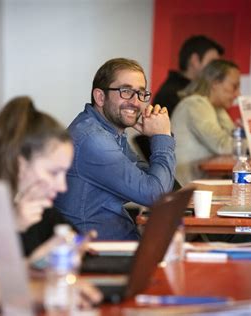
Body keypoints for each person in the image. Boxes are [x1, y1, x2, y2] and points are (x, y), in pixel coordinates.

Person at [55, 58, 176, 240]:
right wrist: (163, 136)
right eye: (126, 91)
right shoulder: (93, 139)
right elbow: (156, 195)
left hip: (118, 245)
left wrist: (158, 136)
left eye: (141, 93)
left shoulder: (109, 132)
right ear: (100, 97)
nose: (136, 102)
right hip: (97, 254)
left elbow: (153, 181)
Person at [0, 96, 75, 256]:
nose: (62, 186)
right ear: (20, 165)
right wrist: (15, 226)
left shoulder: (42, 208)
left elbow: (75, 241)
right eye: (53, 173)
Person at [171, 59, 240, 185]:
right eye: (234, 86)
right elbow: (223, 145)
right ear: (215, 83)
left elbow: (233, 136)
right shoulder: (195, 104)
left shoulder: (215, 107)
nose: (238, 94)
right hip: (187, 190)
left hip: (203, 183)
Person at [153, 35, 224, 117]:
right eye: (212, 63)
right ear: (195, 60)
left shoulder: (187, 91)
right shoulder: (174, 94)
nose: (216, 70)